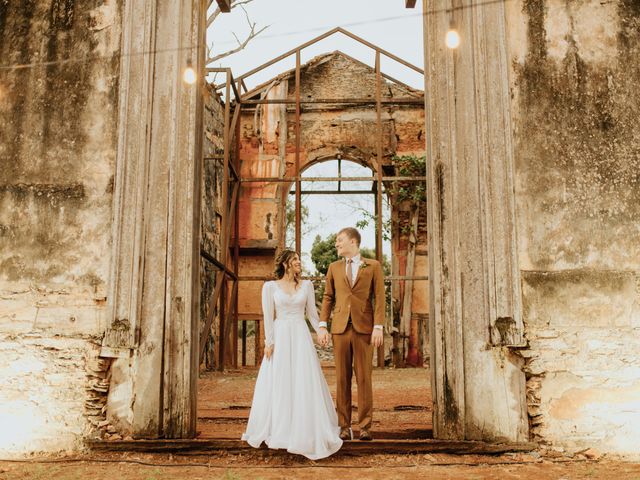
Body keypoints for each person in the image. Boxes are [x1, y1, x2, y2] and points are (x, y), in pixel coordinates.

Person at [242, 249, 342, 460]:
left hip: (300, 336)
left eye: (299, 259)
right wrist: (269, 342)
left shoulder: (307, 286)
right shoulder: (270, 287)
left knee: (302, 380)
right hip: (280, 336)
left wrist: (322, 329)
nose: (299, 262)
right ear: (286, 263)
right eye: (295, 259)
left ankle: (303, 429)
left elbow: (312, 315)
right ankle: (279, 429)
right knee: (280, 381)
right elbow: (269, 317)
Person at [319, 227, 385, 441]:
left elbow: (379, 298)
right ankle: (343, 427)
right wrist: (322, 324)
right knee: (342, 378)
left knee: (364, 378)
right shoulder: (334, 267)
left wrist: (378, 327)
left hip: (364, 329)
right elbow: (328, 297)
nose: (336, 244)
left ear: (353, 242)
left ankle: (365, 427)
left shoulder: (373, 266)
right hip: (339, 329)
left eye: (340, 240)